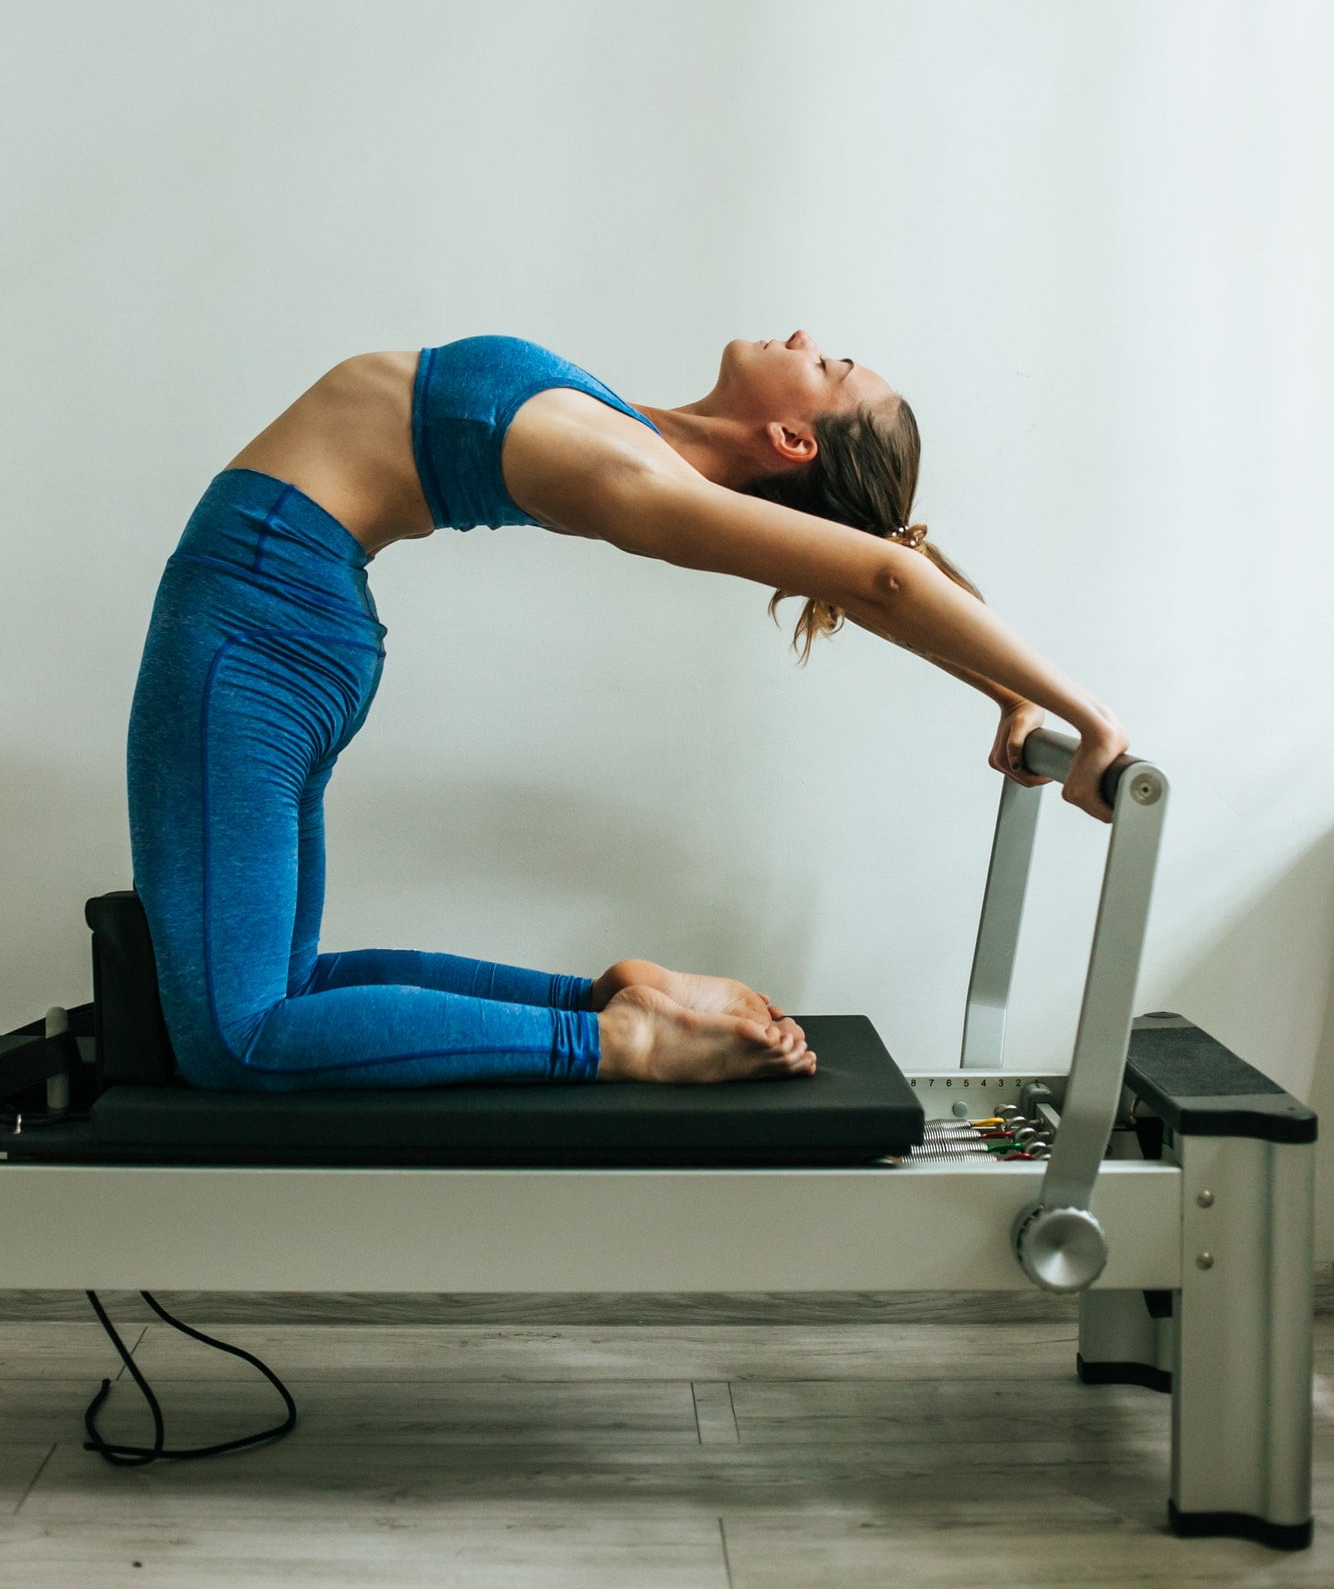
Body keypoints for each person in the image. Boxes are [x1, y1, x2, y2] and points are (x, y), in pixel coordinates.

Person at [126, 331, 1128, 1095]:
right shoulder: (637, 432)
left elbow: (882, 575)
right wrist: (1007, 691)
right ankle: (603, 1003)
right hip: (280, 621)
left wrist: (1081, 714)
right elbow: (874, 572)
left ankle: (618, 1039)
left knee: (237, 1037)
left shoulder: (639, 479)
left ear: (791, 437)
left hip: (251, 623)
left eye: (830, 366)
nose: (804, 340)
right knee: (279, 990)